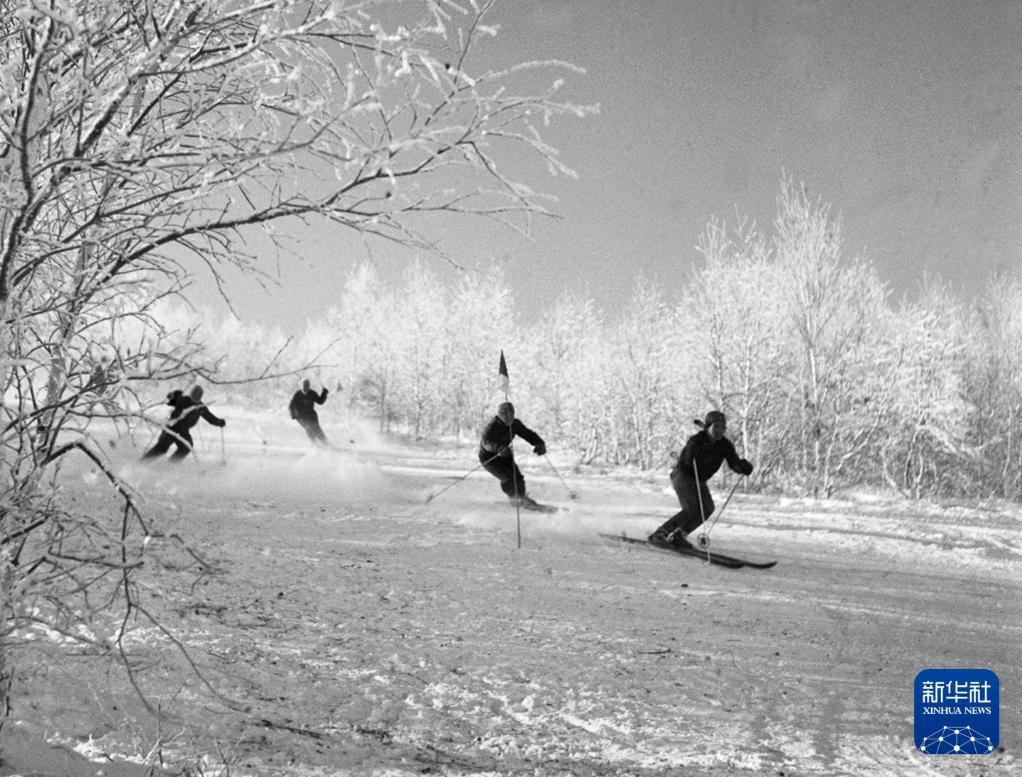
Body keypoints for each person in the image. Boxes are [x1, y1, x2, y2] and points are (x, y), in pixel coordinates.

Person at [648, 410, 753, 549]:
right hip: (683, 475)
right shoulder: (697, 440)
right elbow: (687, 458)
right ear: (709, 426)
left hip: (699, 480)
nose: (720, 431)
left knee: (707, 508)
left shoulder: (725, 445)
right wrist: (692, 454)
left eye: (723, 427)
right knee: (691, 508)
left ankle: (679, 535)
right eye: (716, 427)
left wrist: (743, 467)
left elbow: (734, 462)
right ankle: (660, 534)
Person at [478, 401, 547, 508]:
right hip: (490, 458)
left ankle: (521, 497)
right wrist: (499, 448)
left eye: (511, 415)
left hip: (505, 455)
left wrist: (539, 443)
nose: (508, 418)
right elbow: (486, 443)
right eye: (505, 416)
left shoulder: (515, 424)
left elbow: (527, 434)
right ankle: (515, 498)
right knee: (507, 478)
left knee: (518, 478)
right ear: (500, 415)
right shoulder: (492, 426)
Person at [143, 385, 226, 461]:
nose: (196, 397)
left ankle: (170, 465)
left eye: (198, 396)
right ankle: (143, 463)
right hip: (171, 428)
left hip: (183, 431)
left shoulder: (200, 407)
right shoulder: (183, 399)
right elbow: (170, 401)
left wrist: (219, 422)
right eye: (194, 394)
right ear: (191, 394)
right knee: (162, 448)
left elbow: (210, 417)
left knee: (186, 447)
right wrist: (174, 394)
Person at [289, 379, 329, 444]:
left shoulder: (312, 393)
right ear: (301, 387)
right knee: (308, 428)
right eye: (303, 388)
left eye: (307, 387)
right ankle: (314, 443)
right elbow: (291, 406)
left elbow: (320, 401)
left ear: (309, 387)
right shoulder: (298, 394)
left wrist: (324, 393)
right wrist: (292, 414)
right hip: (301, 416)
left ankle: (325, 442)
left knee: (316, 427)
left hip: (311, 415)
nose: (305, 390)